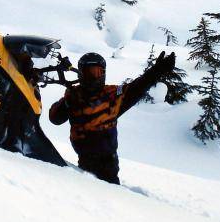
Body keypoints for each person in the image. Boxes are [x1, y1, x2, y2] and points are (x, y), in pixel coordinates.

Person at [49, 51, 175, 184]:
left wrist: (157, 70)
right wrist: (66, 101)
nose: (93, 77)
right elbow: (55, 119)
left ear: (103, 73)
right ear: (81, 74)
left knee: (110, 195)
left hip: (108, 163)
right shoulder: (74, 95)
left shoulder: (112, 95)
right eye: (88, 72)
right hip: (85, 160)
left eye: (97, 72)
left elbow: (138, 87)